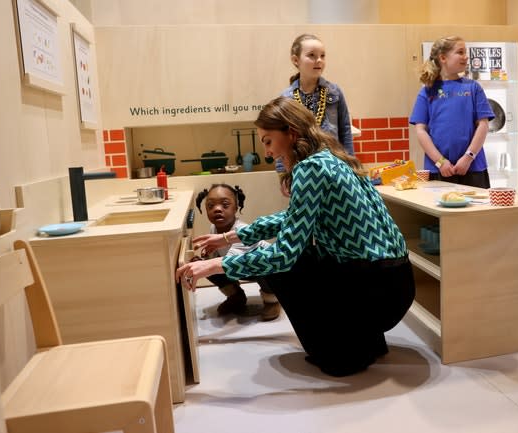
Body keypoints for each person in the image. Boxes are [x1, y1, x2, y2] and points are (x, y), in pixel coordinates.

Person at [176, 96, 415, 377]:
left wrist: (216, 265)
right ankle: (366, 341)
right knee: (306, 257)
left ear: (291, 132)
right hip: (396, 281)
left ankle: (339, 355)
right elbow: (292, 217)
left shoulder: (309, 169)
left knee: (287, 267)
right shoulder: (331, 158)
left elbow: (284, 254)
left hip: (377, 290)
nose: (267, 152)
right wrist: (229, 238)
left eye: (268, 141)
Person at [409, 35, 494, 188]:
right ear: (443, 58)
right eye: (460, 52)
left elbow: (483, 125)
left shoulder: (473, 88)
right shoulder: (427, 92)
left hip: (473, 168)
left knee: (477, 211)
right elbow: (421, 131)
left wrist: (468, 157)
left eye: (465, 52)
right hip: (438, 169)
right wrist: (440, 162)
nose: (466, 57)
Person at [192, 184, 281, 321]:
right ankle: (236, 296)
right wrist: (205, 258)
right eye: (210, 206)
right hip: (242, 268)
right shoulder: (213, 228)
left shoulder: (242, 230)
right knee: (201, 263)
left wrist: (206, 265)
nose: (217, 209)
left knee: (263, 266)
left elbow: (228, 261)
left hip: (268, 271)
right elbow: (218, 257)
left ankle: (272, 300)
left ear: (236, 207)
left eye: (225, 205)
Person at [276, 33, 354, 174]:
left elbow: (345, 131)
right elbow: (280, 139)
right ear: (295, 60)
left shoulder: (334, 92)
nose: (319, 60)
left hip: (334, 167)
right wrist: (283, 173)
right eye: (312, 55)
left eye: (322, 56)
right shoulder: (287, 98)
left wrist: (351, 166)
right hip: (301, 170)